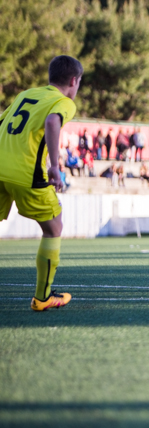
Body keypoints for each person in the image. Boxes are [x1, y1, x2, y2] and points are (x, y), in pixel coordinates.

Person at [0, 55, 82, 311]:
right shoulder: (63, 102)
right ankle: (42, 297)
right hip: (27, 173)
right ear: (73, 80)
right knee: (53, 227)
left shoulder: (25, 95)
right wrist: (55, 168)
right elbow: (51, 121)